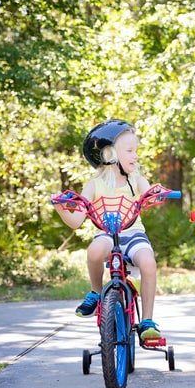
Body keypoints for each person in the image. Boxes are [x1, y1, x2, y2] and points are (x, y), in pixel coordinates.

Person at [52, 119, 161, 341]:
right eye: (130, 151)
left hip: (133, 234)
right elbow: (75, 222)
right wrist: (62, 209)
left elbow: (150, 196)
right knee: (93, 251)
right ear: (110, 154)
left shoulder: (137, 180)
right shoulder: (93, 185)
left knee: (149, 263)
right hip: (106, 234)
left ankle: (147, 321)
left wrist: (155, 196)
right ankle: (95, 291)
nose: (136, 156)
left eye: (136, 151)